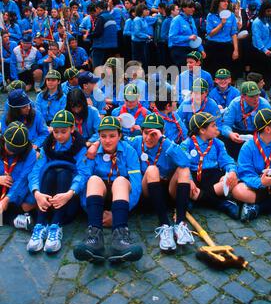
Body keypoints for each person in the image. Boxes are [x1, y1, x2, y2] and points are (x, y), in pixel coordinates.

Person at [73, 116, 143, 263]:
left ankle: (120, 236)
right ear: (99, 136)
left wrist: (118, 214)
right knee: (93, 179)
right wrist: (95, 213)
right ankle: (94, 236)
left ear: (120, 135)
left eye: (112, 136)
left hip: (121, 200)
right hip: (99, 200)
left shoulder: (129, 151)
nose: (107, 140)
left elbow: (136, 185)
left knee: (121, 180)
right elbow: (83, 181)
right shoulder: (92, 153)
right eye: (103, 136)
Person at [127, 113, 194, 252]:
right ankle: (164, 225)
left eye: (153, 134)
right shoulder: (136, 141)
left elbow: (186, 161)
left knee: (184, 170)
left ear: (162, 133)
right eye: (146, 133)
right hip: (148, 192)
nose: (148, 138)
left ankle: (180, 224)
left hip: (168, 191)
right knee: (152, 169)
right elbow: (116, 139)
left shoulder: (167, 144)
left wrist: (164, 139)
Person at [27, 110, 91, 253]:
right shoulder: (48, 146)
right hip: (47, 197)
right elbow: (36, 170)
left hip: (67, 200)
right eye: (56, 132)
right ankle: (40, 224)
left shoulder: (79, 147)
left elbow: (83, 173)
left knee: (64, 172)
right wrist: (37, 193)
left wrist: (69, 193)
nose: (59, 136)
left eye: (63, 132)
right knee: (49, 172)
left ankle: (56, 226)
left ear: (72, 129)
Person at [232, 109, 271, 222]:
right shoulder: (248, 147)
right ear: (268, 129)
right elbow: (245, 174)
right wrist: (261, 182)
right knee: (238, 190)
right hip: (259, 187)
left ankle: (258, 208)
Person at [180, 113, 240, 219]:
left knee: (230, 181)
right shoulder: (187, 144)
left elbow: (227, 160)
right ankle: (223, 204)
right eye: (213, 126)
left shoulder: (218, 143)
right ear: (202, 130)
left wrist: (232, 171)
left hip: (213, 175)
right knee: (187, 186)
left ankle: (198, 198)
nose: (216, 128)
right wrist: (189, 180)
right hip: (195, 176)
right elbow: (184, 165)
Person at [0, 122, 37, 230]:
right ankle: (14, 220)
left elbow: (23, 179)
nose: (11, 152)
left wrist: (7, 198)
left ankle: (12, 217)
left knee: (27, 204)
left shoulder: (30, 154)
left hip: (17, 191)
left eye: (15, 150)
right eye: (9, 148)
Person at [221, 81, 271, 159]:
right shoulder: (235, 104)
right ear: (243, 96)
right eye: (252, 96)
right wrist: (230, 134)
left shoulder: (264, 104)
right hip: (238, 135)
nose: (256, 99)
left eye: (257, 95)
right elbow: (225, 125)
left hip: (258, 134)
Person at [205, 0, 239, 76]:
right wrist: (221, 24)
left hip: (226, 46)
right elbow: (210, 33)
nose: (226, 3)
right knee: (213, 71)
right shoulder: (211, 16)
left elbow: (234, 34)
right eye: (223, 1)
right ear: (217, 3)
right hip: (213, 45)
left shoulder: (232, 16)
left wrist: (236, 50)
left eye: (227, 2)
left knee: (226, 71)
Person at [169, 0, 204, 68]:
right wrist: (188, 37)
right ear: (184, 8)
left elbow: (195, 36)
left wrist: (201, 49)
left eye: (193, 7)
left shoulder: (191, 19)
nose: (193, 9)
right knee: (183, 75)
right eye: (190, 7)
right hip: (180, 51)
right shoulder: (176, 20)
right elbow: (172, 38)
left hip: (192, 50)